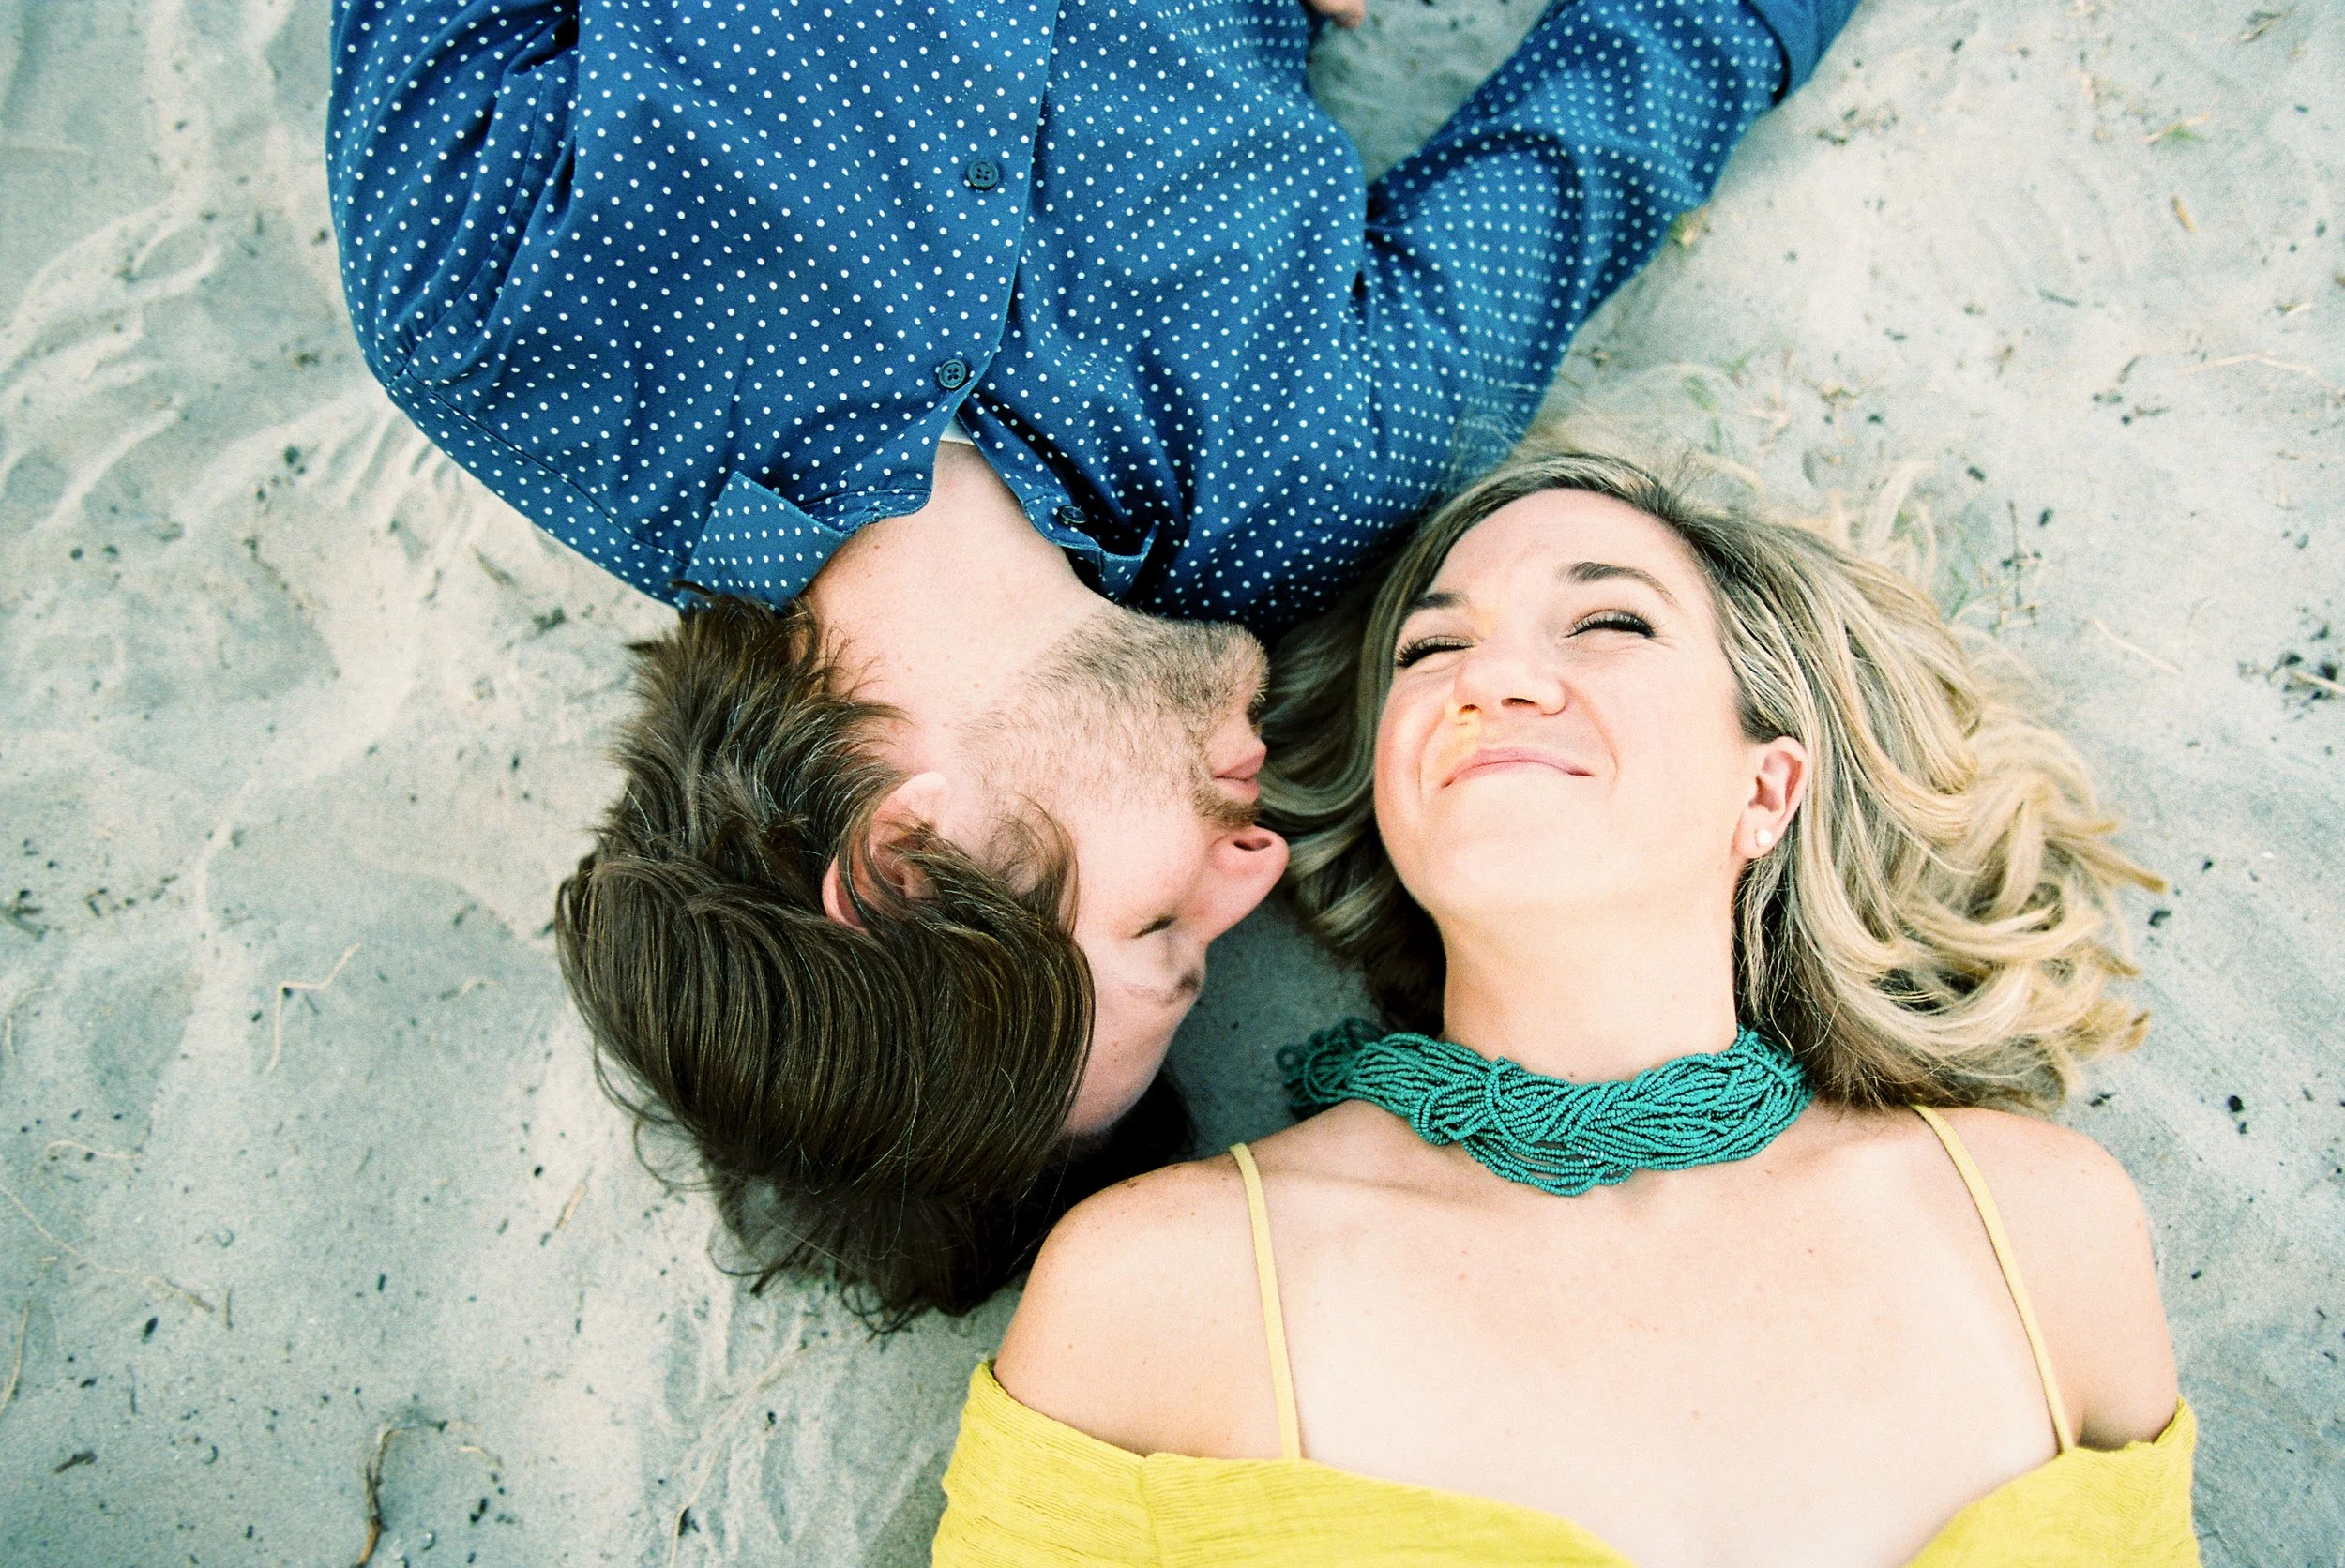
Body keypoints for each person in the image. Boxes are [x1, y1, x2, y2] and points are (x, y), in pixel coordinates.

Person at [326, 0, 1857, 1319]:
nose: (1251, 870)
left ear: (905, 855)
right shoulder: (1316, 468)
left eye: (1155, 936)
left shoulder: (501, 327)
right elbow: (1650, 79)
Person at [933, 447, 2197, 1564]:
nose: (1496, 679)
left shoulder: (2043, 1236)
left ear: (1768, 789)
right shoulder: (1160, 1291)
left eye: (1609, 624)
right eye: (1433, 648)